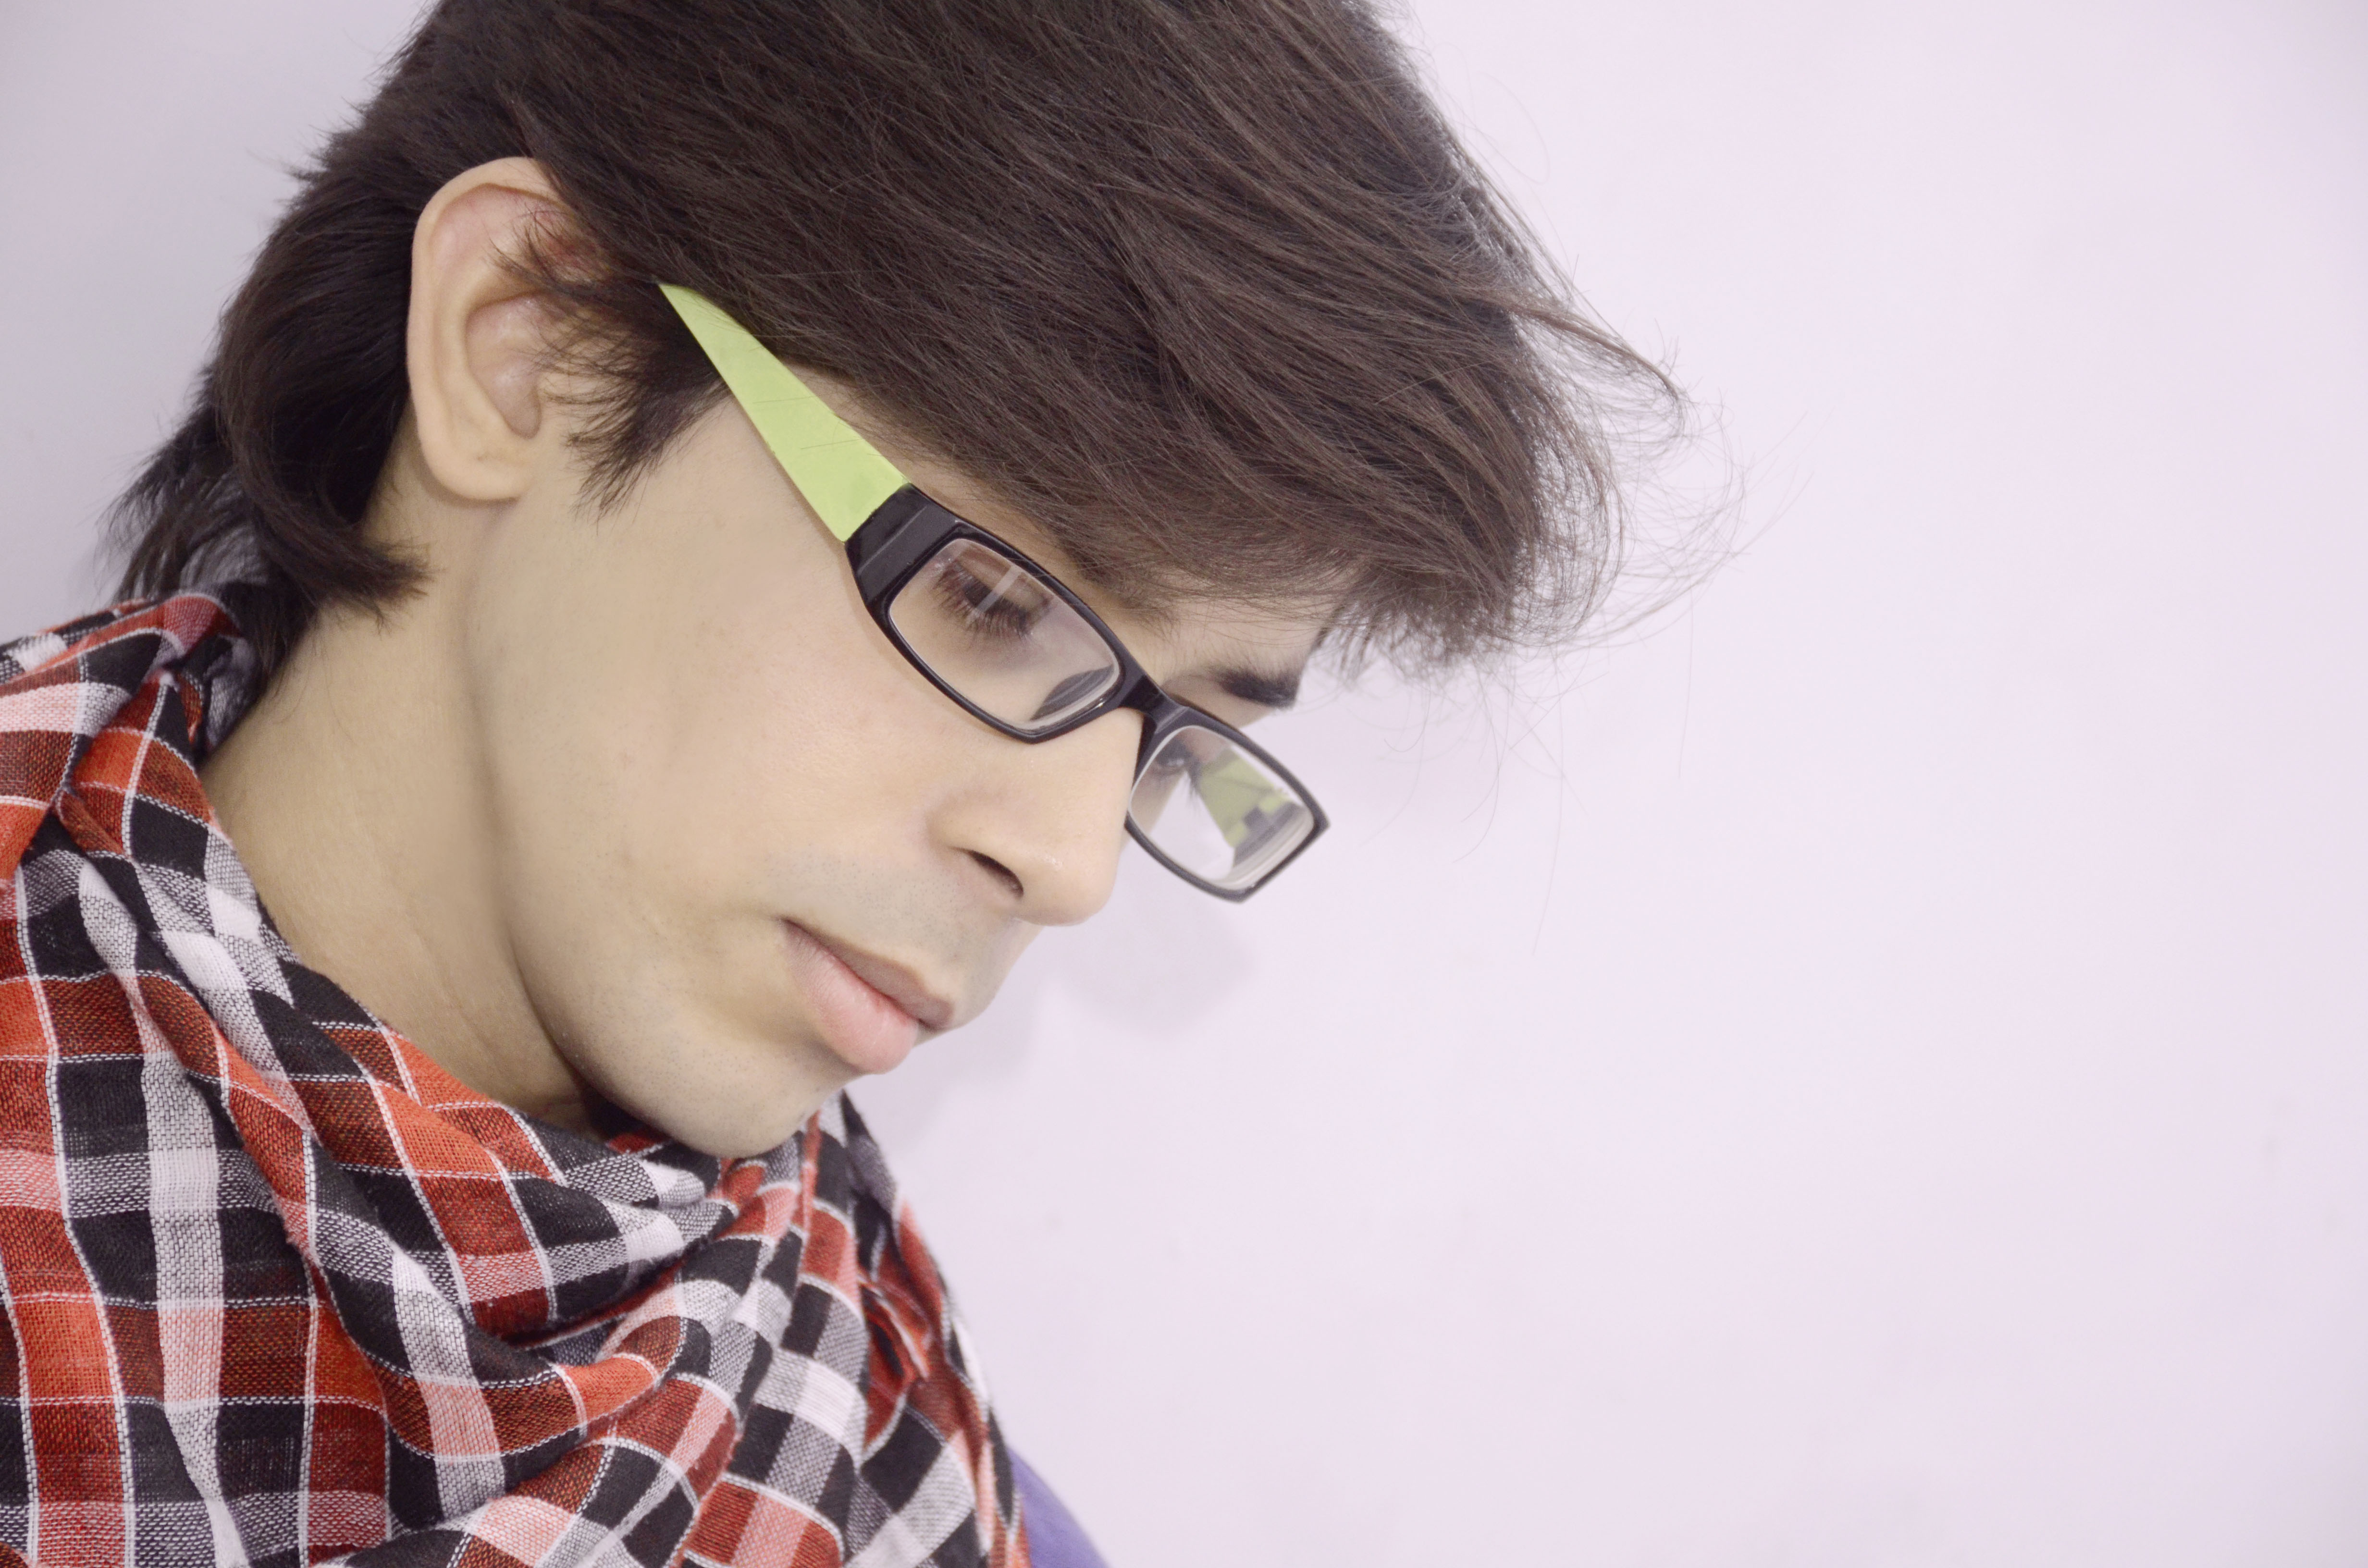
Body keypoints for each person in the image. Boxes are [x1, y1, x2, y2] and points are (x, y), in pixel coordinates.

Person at [0, 1, 1675, 1564]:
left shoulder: (918, 1497)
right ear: (526, 347)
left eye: (1170, 729)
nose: (1073, 863)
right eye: (992, 598)